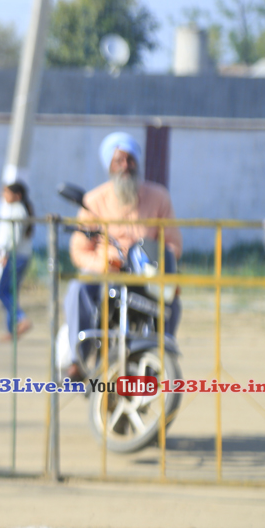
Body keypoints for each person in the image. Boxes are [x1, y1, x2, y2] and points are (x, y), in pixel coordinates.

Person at [62, 132, 182, 380]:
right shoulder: (93, 201)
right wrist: (103, 264)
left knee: (172, 298)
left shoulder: (159, 197)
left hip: (145, 274)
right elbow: (79, 250)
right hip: (105, 274)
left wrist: (161, 263)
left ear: (138, 163)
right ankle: (78, 358)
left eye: (130, 160)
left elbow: (172, 243)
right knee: (77, 289)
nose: (125, 166)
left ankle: (161, 355)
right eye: (118, 161)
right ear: (109, 166)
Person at [0, 182, 35, 341]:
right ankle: (12, 330)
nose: (3, 195)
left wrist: (7, 253)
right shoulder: (18, 210)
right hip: (21, 255)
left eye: (7, 192)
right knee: (11, 293)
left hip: (17, 256)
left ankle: (21, 318)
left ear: (17, 196)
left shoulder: (18, 211)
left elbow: (14, 237)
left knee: (2, 292)